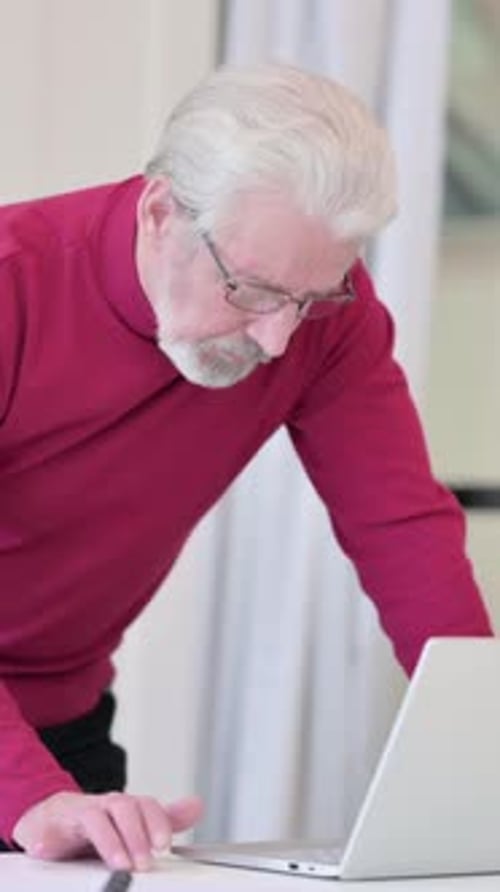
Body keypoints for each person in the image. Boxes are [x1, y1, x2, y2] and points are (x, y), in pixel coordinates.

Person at [0, 62, 493, 872]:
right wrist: (25, 794)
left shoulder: (326, 319)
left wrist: (481, 739)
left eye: (314, 296)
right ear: (161, 213)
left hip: (68, 733)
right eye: (253, 291)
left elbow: (401, 528)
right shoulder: (17, 283)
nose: (276, 341)